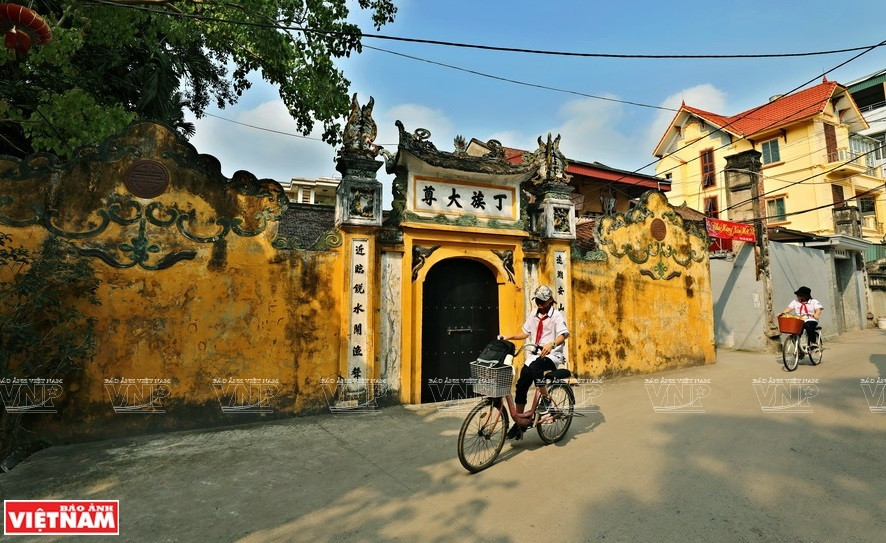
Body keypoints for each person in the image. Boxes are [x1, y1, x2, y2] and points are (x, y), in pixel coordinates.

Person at [498, 285, 569, 440]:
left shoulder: (556, 315)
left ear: (550, 301)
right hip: (533, 355)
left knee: (537, 367)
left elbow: (563, 335)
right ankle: (519, 424)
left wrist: (551, 345)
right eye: (537, 300)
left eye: (542, 301)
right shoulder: (533, 314)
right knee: (521, 385)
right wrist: (508, 337)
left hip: (551, 356)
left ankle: (546, 402)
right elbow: (525, 333)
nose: (539, 304)